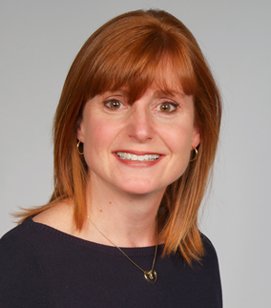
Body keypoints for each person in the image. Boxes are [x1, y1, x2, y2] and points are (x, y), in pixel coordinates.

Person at [0, 9, 222, 307]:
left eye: (166, 107)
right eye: (115, 103)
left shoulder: (198, 260)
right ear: (79, 125)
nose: (141, 130)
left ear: (197, 131)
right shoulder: (22, 261)